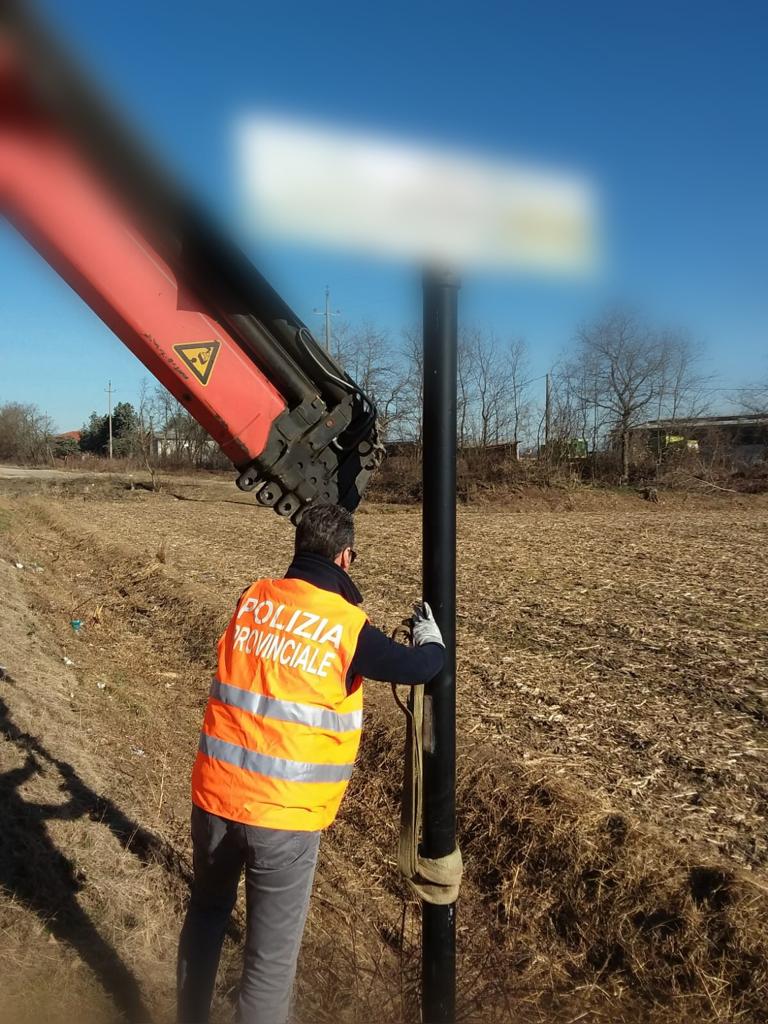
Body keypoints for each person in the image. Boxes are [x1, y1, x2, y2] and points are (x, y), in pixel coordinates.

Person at [177, 503, 445, 1024]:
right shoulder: (347, 627)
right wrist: (432, 640)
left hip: (213, 800)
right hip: (284, 820)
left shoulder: (252, 598)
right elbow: (419, 667)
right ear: (345, 556)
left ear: (301, 546)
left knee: (206, 915)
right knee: (268, 966)